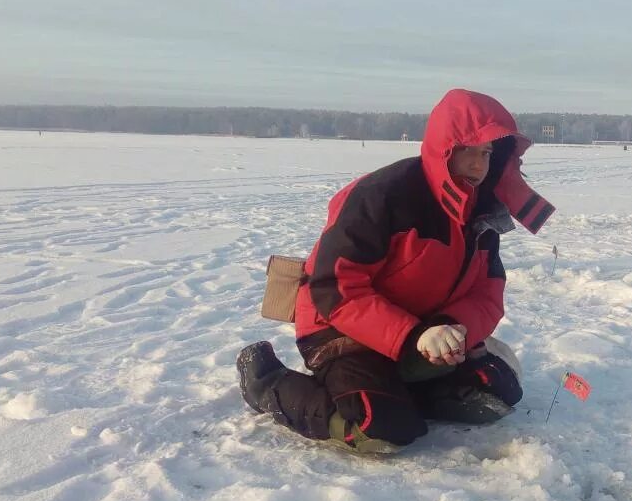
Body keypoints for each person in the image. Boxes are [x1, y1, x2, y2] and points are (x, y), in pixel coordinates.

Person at [236, 89, 555, 454]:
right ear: (445, 147)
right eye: (469, 149)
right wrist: (413, 335)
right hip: (340, 329)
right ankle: (265, 381)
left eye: (486, 153)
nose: (479, 165)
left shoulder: (482, 211)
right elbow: (334, 287)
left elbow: (488, 293)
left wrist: (454, 329)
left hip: (423, 334)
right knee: (380, 428)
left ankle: (399, 386)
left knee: (496, 391)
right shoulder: (383, 196)